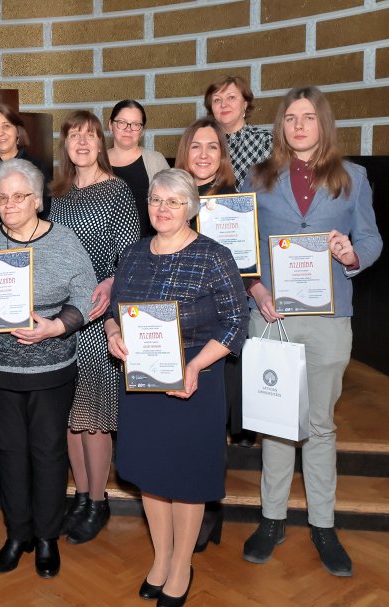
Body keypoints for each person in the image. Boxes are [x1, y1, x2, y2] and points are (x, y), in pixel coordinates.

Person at [241, 86, 382, 578]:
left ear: (323, 122)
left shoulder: (353, 177)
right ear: (280, 126)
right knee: (276, 423)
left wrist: (351, 254)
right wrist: (256, 289)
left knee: (319, 425)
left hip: (328, 318)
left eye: (308, 117)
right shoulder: (258, 177)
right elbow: (245, 248)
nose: (298, 126)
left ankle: (323, 524)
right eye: (290, 118)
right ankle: (272, 519)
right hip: (273, 316)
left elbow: (371, 237)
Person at [106, 168, 248, 607]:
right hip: (143, 384)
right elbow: (114, 309)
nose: (162, 209)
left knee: (185, 477)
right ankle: (161, 556)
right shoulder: (131, 254)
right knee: (151, 473)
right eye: (156, 201)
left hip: (194, 383)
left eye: (173, 201)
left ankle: (182, 563)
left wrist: (196, 366)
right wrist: (112, 332)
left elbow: (235, 322)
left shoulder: (213, 255)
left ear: (191, 207)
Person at [0, 158, 97, 579]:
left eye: (19, 196)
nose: (10, 204)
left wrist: (56, 326)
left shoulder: (64, 240)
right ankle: (18, 534)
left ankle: (48, 537)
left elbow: (86, 292)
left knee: (49, 453)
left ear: (37, 199)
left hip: (51, 369)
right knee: (10, 453)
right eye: (2, 198)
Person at [49, 110, 140, 545]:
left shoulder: (118, 191)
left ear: (100, 142)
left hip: (99, 313)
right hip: (61, 316)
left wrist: (109, 282)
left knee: (96, 414)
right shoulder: (58, 195)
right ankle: (80, 495)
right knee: (70, 413)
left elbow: (129, 254)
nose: (81, 142)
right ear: (64, 144)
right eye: (73, 136)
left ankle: (99, 500)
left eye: (89, 135)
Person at [174, 118, 248, 554]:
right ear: (184, 154)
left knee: (212, 427)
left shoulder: (237, 204)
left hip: (220, 331)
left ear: (222, 155)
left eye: (212, 147)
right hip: (177, 334)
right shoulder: (170, 200)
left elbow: (249, 268)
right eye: (195, 147)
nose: (203, 155)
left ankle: (209, 513)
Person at [0, 103, 51, 223]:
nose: (0, 133)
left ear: (17, 131)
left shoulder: (38, 167)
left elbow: (46, 212)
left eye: (6, 126)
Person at [107, 99, 170, 236]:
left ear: (142, 131)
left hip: (147, 249)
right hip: (104, 253)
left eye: (136, 124)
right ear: (111, 125)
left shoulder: (156, 161)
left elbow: (172, 206)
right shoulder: (97, 162)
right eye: (122, 123)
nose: (128, 129)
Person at [204, 76, 273, 190]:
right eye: (217, 100)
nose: (223, 104)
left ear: (245, 104)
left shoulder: (265, 141)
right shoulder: (202, 143)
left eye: (231, 97)